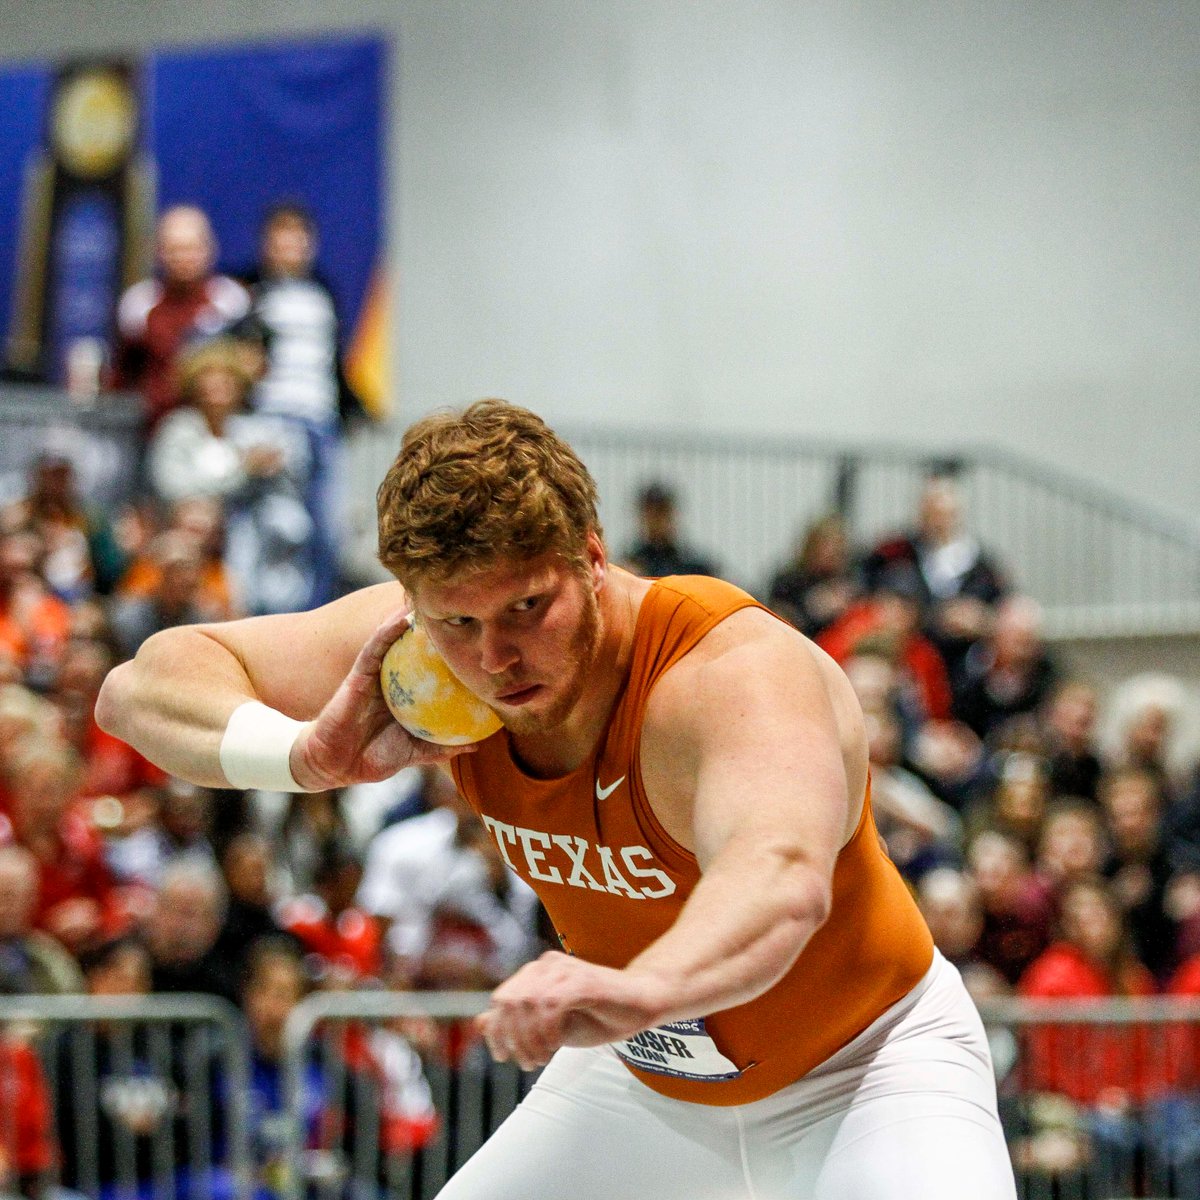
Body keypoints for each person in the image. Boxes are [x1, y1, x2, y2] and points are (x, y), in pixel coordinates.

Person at [96, 399, 1016, 1199]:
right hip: (646, 1086)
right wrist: (302, 754)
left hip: (870, 1072)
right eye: (457, 622)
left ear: (591, 556)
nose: (496, 659)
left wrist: (639, 986)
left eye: (528, 609)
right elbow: (139, 688)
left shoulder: (723, 675)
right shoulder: (418, 655)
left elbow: (779, 880)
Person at [111, 205, 250, 430]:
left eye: (191, 248)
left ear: (210, 249)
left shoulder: (232, 301)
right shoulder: (138, 304)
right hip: (156, 429)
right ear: (158, 252)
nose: (183, 258)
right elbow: (123, 377)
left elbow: (248, 370)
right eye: (174, 249)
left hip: (220, 433)